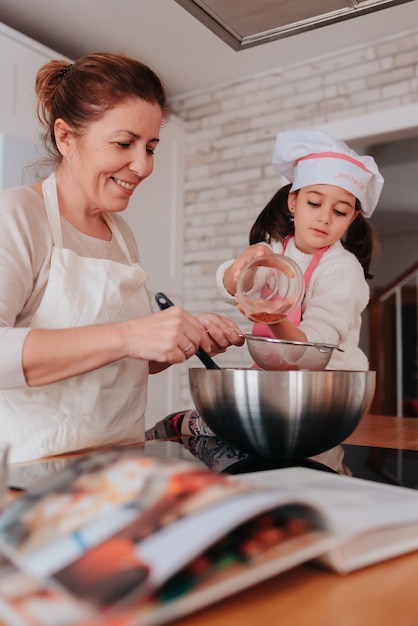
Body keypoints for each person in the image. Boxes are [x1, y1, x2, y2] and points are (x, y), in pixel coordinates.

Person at [0, 52, 243, 463]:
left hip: (118, 467)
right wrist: (130, 334)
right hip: (32, 477)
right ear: (65, 137)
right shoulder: (18, 215)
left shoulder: (120, 234)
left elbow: (119, 365)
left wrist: (176, 338)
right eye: (124, 143)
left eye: (150, 147)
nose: (143, 165)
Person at [215, 128, 385, 371]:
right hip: (280, 379)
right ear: (293, 201)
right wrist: (242, 268)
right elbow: (230, 289)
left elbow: (316, 351)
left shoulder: (343, 269)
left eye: (339, 211)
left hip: (329, 386)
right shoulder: (274, 250)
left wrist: (272, 318)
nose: (324, 217)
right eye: (314, 203)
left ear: (352, 218)